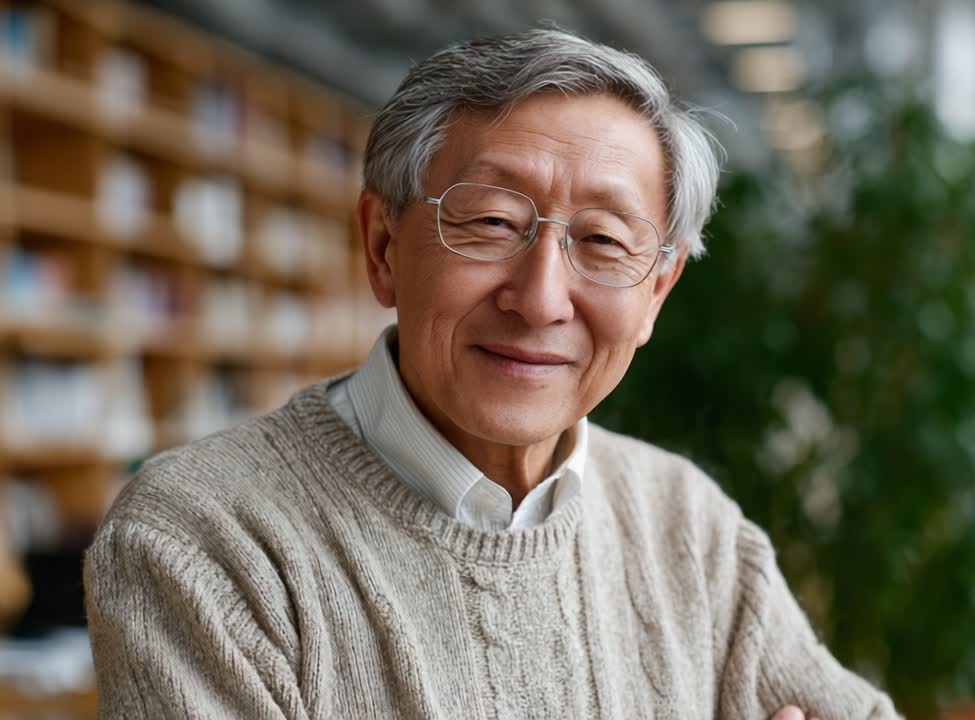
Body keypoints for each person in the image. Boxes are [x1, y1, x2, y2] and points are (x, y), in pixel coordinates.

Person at [84, 29, 899, 720]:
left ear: (657, 291)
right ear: (382, 247)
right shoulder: (203, 544)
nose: (542, 298)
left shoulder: (688, 525)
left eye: (606, 242)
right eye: (491, 222)